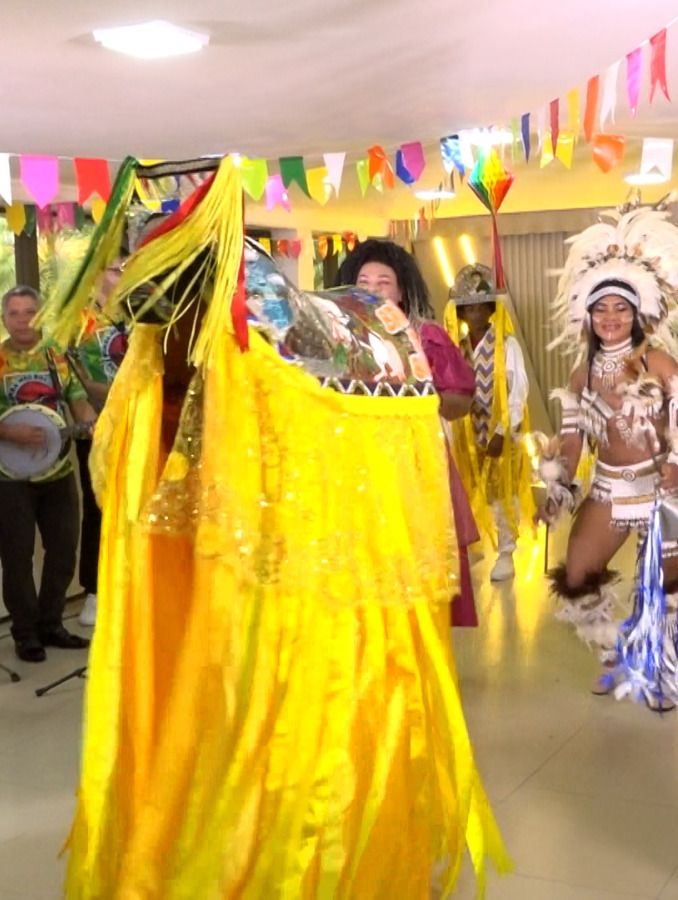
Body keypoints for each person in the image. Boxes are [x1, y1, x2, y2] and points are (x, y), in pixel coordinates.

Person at [50, 157, 506, 898]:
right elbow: (147, 448)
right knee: (229, 709)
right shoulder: (175, 362)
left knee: (308, 726)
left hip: (304, 568)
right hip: (222, 564)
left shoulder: (299, 348)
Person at [533, 199, 678, 695]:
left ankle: (667, 667)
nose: (610, 317)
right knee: (577, 575)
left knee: (667, 590)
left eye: (620, 308)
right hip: (609, 492)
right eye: (601, 308)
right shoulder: (581, 373)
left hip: (659, 490)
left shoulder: (661, 363)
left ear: (636, 314)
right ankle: (616, 653)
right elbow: (572, 440)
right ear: (587, 315)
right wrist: (558, 485)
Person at [339, 239, 483, 626]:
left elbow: (459, 402)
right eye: (363, 281)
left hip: (415, 466)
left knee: (415, 558)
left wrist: (417, 399)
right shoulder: (340, 340)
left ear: (401, 291)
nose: (371, 289)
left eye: (383, 282)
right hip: (357, 467)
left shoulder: (426, 336)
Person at [0, 286, 96, 663]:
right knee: (17, 556)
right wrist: (11, 434)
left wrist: (89, 423)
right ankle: (25, 632)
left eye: (29, 312)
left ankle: (51, 623)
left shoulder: (57, 356)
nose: (22, 320)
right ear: (4, 319)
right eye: (14, 313)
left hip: (58, 471)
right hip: (9, 477)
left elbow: (78, 402)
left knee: (63, 551)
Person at [443, 263, 533, 583]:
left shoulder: (506, 346)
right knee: (468, 489)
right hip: (468, 433)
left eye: (481, 306)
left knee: (501, 492)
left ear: (490, 309)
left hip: (499, 433)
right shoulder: (458, 348)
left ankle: (506, 551)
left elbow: (518, 391)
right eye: (468, 307)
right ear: (462, 313)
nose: (475, 312)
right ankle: (474, 544)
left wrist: (500, 431)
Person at [66, 263, 130, 629]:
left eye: (125, 267)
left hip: (140, 423)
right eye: (113, 267)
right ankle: (94, 590)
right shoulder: (79, 322)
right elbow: (77, 381)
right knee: (98, 508)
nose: (120, 274)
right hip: (97, 427)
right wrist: (120, 396)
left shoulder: (143, 315)